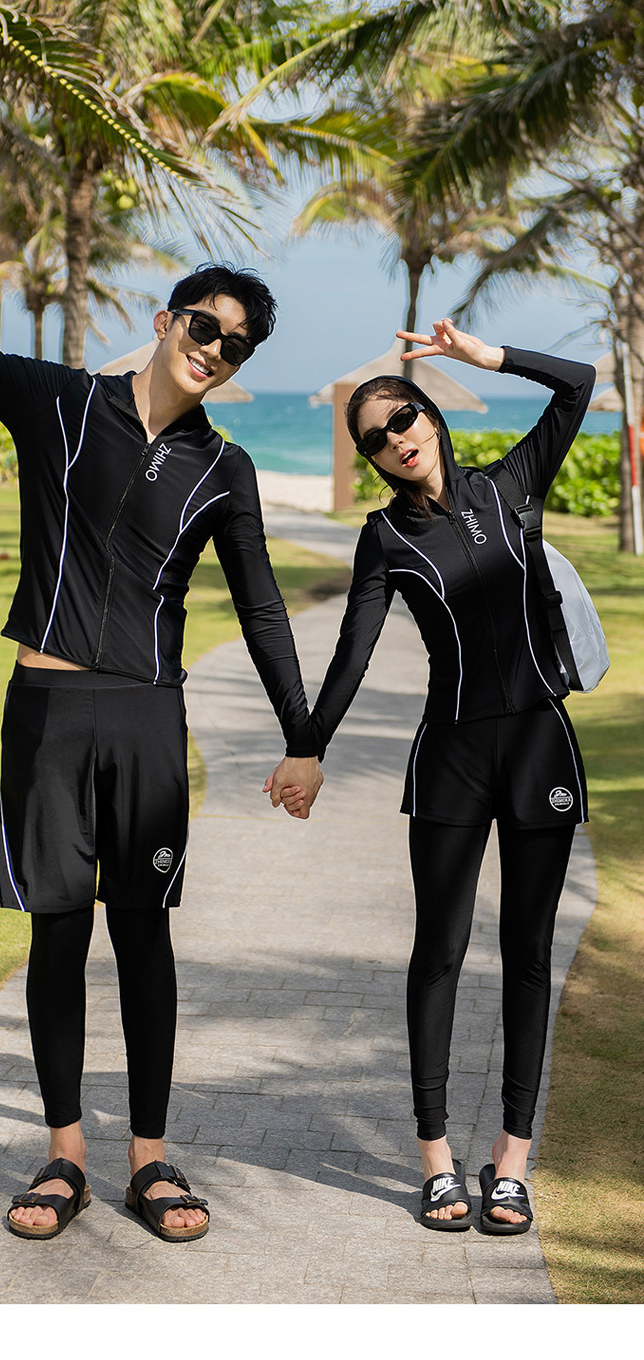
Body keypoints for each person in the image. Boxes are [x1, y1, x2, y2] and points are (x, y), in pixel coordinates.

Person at [0, 265, 322, 1243]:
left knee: (142, 936)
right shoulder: (57, 401)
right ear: (167, 319)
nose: (214, 349)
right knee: (56, 934)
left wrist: (303, 739)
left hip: (147, 719)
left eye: (237, 344)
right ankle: (65, 1156)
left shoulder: (225, 469)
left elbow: (261, 607)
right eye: (205, 326)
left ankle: (150, 1160)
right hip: (47, 710)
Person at [270, 317, 594, 1235]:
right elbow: (353, 652)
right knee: (440, 952)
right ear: (373, 459)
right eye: (375, 436)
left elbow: (577, 383)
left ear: (432, 416)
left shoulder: (510, 485)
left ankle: (512, 1162)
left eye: (403, 417)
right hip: (451, 757)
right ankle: (437, 1161)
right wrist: (308, 744)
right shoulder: (384, 538)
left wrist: (489, 358)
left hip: (539, 748)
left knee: (529, 954)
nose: (396, 438)